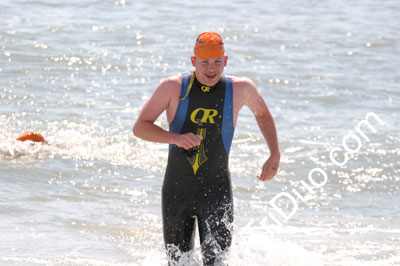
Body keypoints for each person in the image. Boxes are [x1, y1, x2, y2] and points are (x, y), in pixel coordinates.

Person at [133, 32, 280, 265]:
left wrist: (274, 153)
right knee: (177, 262)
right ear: (194, 62)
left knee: (217, 262)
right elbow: (140, 127)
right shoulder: (172, 87)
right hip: (177, 192)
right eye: (204, 63)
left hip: (216, 192)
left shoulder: (241, 88)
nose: (211, 69)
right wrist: (175, 138)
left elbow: (262, 113)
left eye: (217, 62)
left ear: (226, 61)